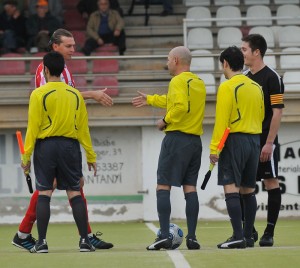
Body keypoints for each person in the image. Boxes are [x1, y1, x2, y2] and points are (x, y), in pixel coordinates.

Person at [12, 28, 114, 251]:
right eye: (69, 46)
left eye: (74, 45)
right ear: (55, 46)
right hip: (56, 139)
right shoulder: (44, 72)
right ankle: (81, 237)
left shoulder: (62, 70)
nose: (73, 50)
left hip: (53, 142)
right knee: (63, 187)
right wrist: (93, 94)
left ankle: (32, 235)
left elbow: (62, 96)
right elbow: (53, 100)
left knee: (51, 188)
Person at [21, 51, 97, 253]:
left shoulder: (38, 94)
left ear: (45, 70)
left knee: (44, 192)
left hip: (46, 147)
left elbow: (33, 128)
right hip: (70, 146)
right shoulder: (75, 95)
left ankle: (42, 242)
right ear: (63, 70)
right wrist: (91, 156)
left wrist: (26, 157)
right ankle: (84, 241)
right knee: (74, 192)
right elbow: (83, 128)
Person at [132, 46, 206, 250]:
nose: (167, 63)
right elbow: (176, 101)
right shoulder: (199, 82)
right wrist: (150, 99)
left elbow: (179, 106)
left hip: (176, 139)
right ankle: (192, 237)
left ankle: (164, 235)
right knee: (190, 187)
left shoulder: (177, 81)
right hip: (194, 142)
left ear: (175, 60)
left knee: (163, 186)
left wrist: (164, 120)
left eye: (167, 59)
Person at [210, 46, 264, 249]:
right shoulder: (256, 86)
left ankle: (237, 236)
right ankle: (248, 236)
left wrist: (214, 148)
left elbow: (222, 121)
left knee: (231, 188)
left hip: (235, 141)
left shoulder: (227, 86)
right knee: (248, 191)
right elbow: (261, 116)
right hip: (254, 140)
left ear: (225, 63)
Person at [241, 34, 284, 247]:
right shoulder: (244, 77)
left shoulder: (272, 77)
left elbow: (277, 113)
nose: (242, 53)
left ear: (256, 52)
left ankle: (269, 232)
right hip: (246, 140)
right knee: (243, 186)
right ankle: (250, 230)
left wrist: (269, 142)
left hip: (265, 140)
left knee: (271, 182)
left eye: (244, 49)